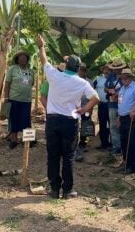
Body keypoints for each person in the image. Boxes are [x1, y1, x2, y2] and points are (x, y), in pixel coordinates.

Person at [37, 35, 99, 199]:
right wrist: (84, 108)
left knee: (53, 156)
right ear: (78, 68)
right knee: (69, 157)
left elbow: (44, 60)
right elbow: (96, 98)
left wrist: (41, 46)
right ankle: (68, 190)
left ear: (66, 65)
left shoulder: (54, 76)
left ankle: (54, 189)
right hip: (70, 121)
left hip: (53, 121)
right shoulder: (82, 83)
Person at [4, 50, 34, 149]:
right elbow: (7, 83)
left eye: (25, 58)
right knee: (14, 119)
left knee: (26, 119)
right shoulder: (12, 69)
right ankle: (14, 139)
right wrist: (6, 97)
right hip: (14, 98)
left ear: (27, 60)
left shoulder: (31, 71)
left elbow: (31, 84)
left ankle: (26, 139)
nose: (23, 60)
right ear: (17, 60)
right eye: (21, 58)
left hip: (26, 100)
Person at [117, 68, 135, 174]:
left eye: (125, 77)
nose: (123, 79)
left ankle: (133, 166)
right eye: (122, 78)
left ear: (130, 78)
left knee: (132, 142)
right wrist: (119, 117)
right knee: (124, 141)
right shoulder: (122, 89)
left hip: (133, 117)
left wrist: (133, 110)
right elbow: (120, 103)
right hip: (123, 117)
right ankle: (126, 162)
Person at [105, 59, 126, 155]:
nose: (117, 70)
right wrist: (109, 90)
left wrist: (118, 94)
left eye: (119, 68)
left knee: (122, 125)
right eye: (115, 69)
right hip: (112, 104)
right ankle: (116, 147)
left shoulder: (126, 77)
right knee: (113, 126)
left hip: (123, 105)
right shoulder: (110, 76)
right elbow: (105, 87)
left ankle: (124, 146)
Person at [75, 63, 94, 162]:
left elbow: (93, 97)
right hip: (76, 107)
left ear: (85, 72)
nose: (81, 72)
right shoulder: (74, 80)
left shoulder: (90, 82)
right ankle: (75, 142)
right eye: (79, 70)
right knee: (75, 124)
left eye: (82, 70)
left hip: (86, 106)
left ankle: (83, 141)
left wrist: (90, 109)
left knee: (85, 123)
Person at [93, 64, 111, 150]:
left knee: (111, 124)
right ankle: (103, 143)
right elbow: (93, 89)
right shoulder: (98, 79)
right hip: (101, 104)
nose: (106, 71)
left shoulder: (113, 79)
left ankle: (111, 143)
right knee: (102, 124)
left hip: (111, 104)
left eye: (108, 69)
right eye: (105, 69)